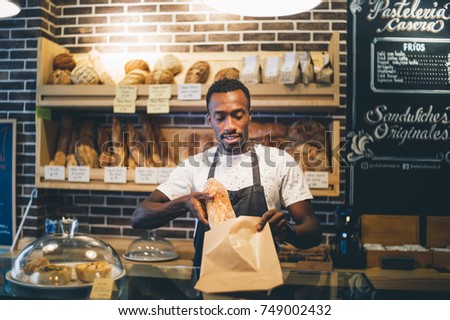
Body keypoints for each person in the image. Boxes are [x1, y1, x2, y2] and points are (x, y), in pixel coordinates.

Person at [131, 78, 322, 267]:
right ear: (209, 119)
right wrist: (183, 204)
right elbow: (139, 217)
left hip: (262, 283)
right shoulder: (194, 166)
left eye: (238, 115)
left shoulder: (280, 162)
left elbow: (313, 232)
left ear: (250, 115)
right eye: (220, 117)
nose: (229, 125)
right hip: (206, 282)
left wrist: (287, 232)